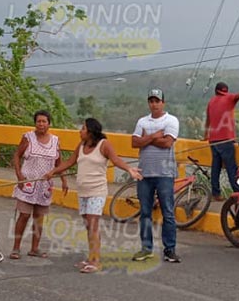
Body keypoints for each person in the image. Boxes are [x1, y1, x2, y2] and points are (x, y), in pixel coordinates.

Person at [44, 118, 143, 273]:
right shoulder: (81, 145)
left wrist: (129, 169)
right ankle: (92, 257)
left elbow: (115, 159)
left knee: (93, 225)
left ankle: (96, 261)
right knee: (89, 225)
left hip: (97, 191)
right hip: (83, 191)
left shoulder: (104, 144)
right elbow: (70, 161)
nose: (80, 131)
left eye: (83, 129)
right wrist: (53, 172)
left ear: (90, 131)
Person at [131, 89, 182, 263]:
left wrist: (146, 139)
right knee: (145, 212)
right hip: (144, 173)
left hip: (164, 174)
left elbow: (168, 143)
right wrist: (155, 136)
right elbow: (134, 142)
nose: (154, 104)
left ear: (163, 103)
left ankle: (170, 249)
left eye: (157, 101)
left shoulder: (171, 120)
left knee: (168, 212)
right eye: (151, 101)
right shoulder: (142, 121)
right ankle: (146, 248)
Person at [11, 110, 66, 259]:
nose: (41, 124)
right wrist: (19, 175)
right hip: (27, 184)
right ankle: (16, 248)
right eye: (39, 121)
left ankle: (34, 248)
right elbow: (16, 155)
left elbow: (58, 163)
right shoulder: (28, 138)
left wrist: (63, 180)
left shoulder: (55, 140)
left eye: (44, 121)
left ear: (49, 124)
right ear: (35, 123)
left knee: (39, 217)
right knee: (23, 215)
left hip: (44, 186)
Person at [205, 82, 239, 200]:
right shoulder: (229, 98)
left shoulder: (211, 101)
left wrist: (205, 135)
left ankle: (216, 193)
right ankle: (238, 193)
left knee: (215, 167)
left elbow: (208, 120)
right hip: (226, 140)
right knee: (231, 168)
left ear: (216, 91)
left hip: (213, 140)